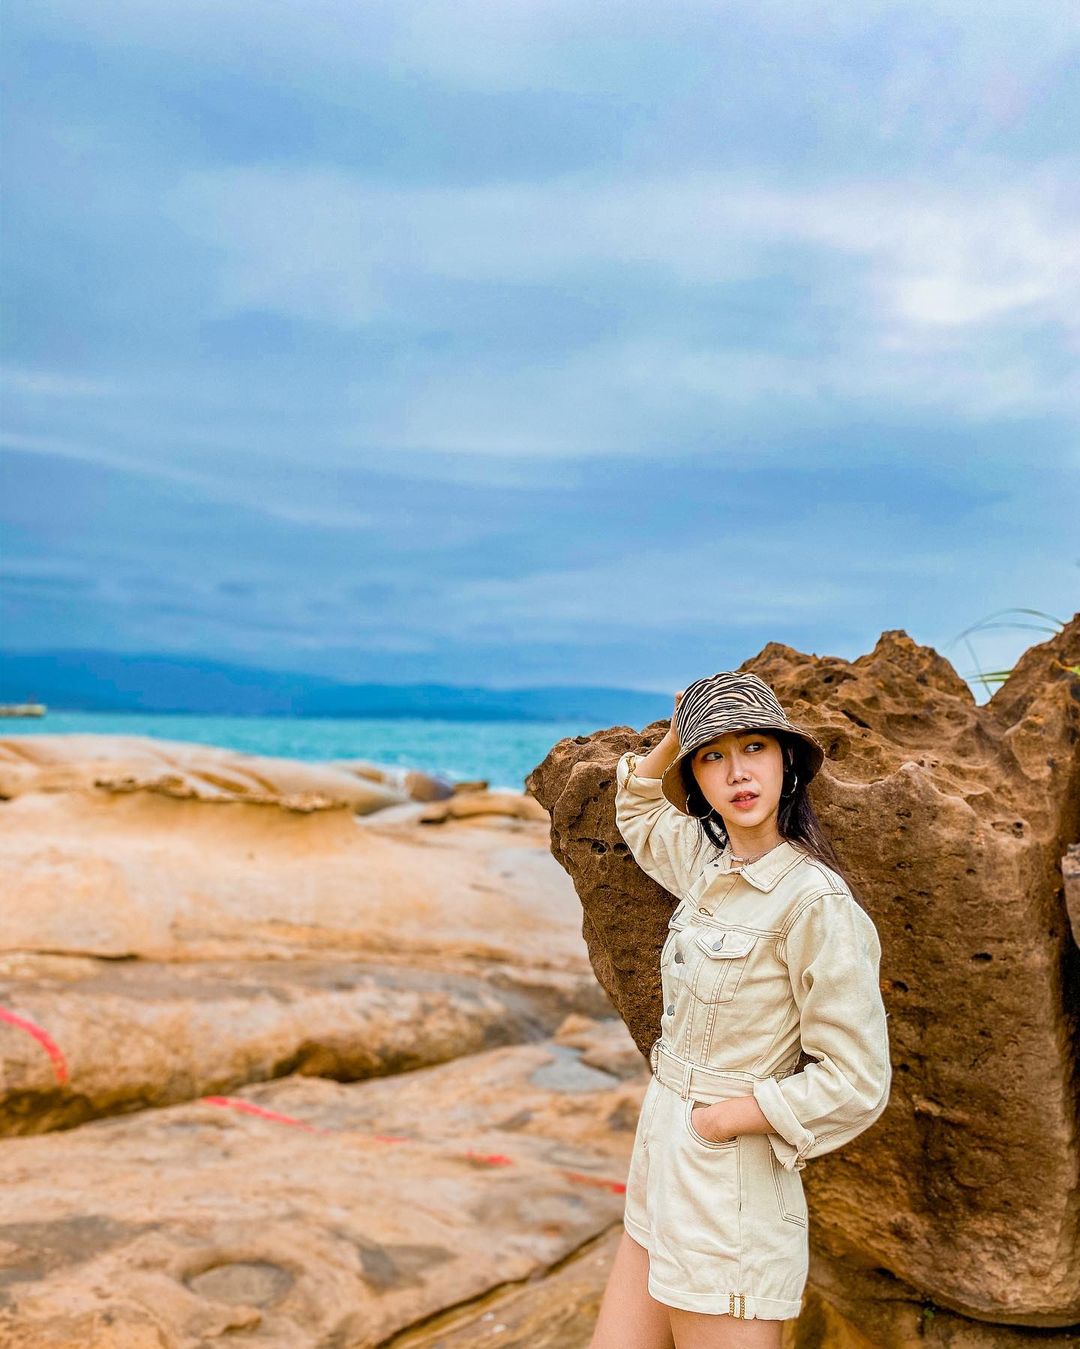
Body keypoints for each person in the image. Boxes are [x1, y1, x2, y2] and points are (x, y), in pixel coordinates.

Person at [589, 671, 892, 1349]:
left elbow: (857, 1079)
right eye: (713, 756)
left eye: (754, 746)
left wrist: (724, 1120)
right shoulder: (705, 862)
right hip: (659, 1158)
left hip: (728, 1183)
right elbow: (637, 806)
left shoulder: (815, 902)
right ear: (697, 781)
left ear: (787, 762)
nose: (737, 771)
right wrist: (677, 732)